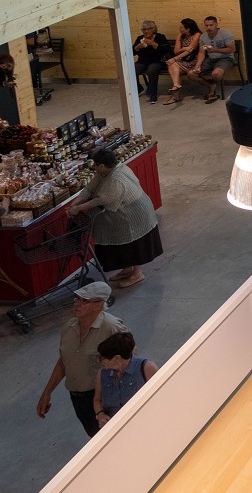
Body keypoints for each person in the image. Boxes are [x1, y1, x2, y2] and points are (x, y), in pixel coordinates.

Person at [36, 283, 127, 438]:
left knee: (116, 437)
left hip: (104, 395)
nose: (77, 304)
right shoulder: (68, 328)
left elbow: (129, 359)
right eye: (76, 299)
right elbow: (64, 362)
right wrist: (46, 393)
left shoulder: (111, 328)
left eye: (84, 301)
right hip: (78, 398)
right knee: (95, 437)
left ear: (98, 305)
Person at [67, 148, 163, 288]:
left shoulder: (116, 179)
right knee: (126, 244)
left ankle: (137, 274)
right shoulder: (106, 171)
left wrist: (79, 208)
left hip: (135, 213)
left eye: (95, 164)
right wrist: (75, 203)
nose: (94, 167)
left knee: (135, 243)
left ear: (101, 165)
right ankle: (128, 269)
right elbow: (90, 188)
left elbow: (100, 200)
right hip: (125, 213)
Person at [92, 331, 159, 428]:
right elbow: (97, 400)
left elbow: (161, 397)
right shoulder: (102, 374)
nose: (100, 361)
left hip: (146, 424)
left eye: (102, 358)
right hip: (115, 428)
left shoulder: (146, 368)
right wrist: (101, 414)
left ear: (116, 359)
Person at [189, 15, 235, 103]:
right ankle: (211, 85)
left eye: (211, 25)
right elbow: (201, 52)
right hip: (210, 59)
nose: (208, 27)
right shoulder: (203, 36)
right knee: (191, 73)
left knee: (216, 74)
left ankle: (212, 89)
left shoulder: (225, 34)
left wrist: (214, 50)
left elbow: (232, 49)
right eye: (206, 25)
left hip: (225, 58)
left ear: (216, 24)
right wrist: (197, 66)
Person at [162, 17, 201, 104]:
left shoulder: (197, 35)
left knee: (172, 64)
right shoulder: (180, 35)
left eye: (181, 27)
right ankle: (176, 86)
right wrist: (184, 48)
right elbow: (176, 51)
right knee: (173, 67)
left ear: (188, 29)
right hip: (182, 60)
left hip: (193, 60)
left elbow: (190, 50)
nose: (179, 29)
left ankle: (175, 94)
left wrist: (174, 58)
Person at [131, 20, 171, 104]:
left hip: (157, 61)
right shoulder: (140, 38)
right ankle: (139, 88)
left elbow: (166, 50)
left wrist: (153, 43)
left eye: (148, 29)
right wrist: (137, 47)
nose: (146, 31)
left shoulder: (160, 37)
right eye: (144, 29)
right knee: (132, 70)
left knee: (152, 70)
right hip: (142, 61)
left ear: (153, 29)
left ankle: (152, 94)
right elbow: (133, 52)